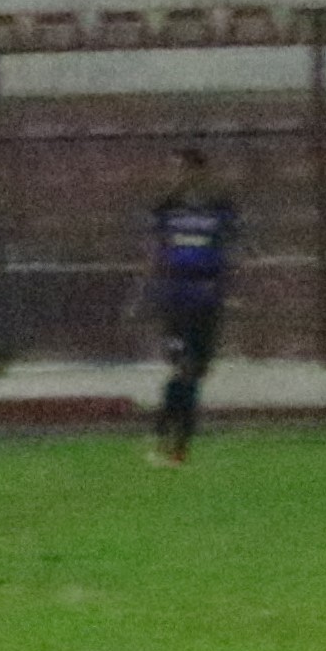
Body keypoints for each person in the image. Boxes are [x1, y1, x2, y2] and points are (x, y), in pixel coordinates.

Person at [143, 150, 239, 466]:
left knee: (196, 372)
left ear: (200, 172)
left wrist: (228, 287)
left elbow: (229, 247)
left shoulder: (220, 209)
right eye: (176, 170)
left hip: (207, 301)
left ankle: (175, 444)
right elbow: (155, 248)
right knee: (182, 367)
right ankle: (168, 439)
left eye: (184, 170)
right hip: (176, 299)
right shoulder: (167, 208)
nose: (178, 176)